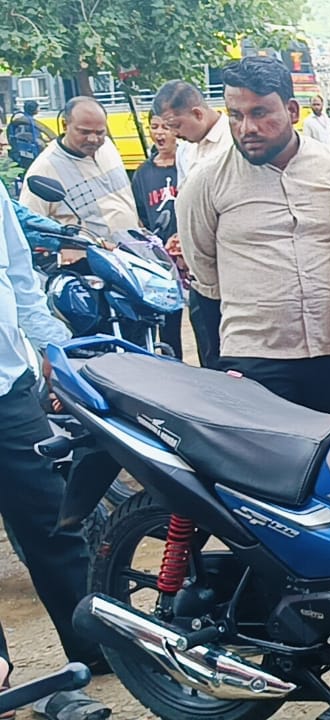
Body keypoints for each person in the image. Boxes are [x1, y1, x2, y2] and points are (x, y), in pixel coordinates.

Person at [177, 56, 330, 415]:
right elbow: (205, 278)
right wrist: (216, 366)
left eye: (260, 113)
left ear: (292, 111)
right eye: (235, 115)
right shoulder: (206, 183)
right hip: (254, 358)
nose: (246, 128)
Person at [0, 186, 112, 720]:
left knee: (52, 516)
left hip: (7, 385)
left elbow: (19, 277)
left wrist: (49, 345)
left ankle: (93, 642)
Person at [151, 80, 233, 370]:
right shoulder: (188, 150)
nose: (173, 134)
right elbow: (187, 202)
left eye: (176, 124)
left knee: (231, 358)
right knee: (208, 354)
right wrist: (181, 239)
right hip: (197, 276)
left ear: (198, 113)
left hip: (228, 273)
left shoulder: (232, 142)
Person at [18, 97, 139, 239]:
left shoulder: (107, 146)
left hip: (135, 250)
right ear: (65, 125)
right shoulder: (44, 169)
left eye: (99, 132)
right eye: (85, 132)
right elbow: (28, 225)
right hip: (93, 257)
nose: (93, 139)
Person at [130, 112, 183, 359]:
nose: (160, 133)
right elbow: (141, 215)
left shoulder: (187, 166)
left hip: (191, 255)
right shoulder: (143, 173)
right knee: (168, 325)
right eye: (154, 127)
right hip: (162, 260)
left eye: (166, 127)